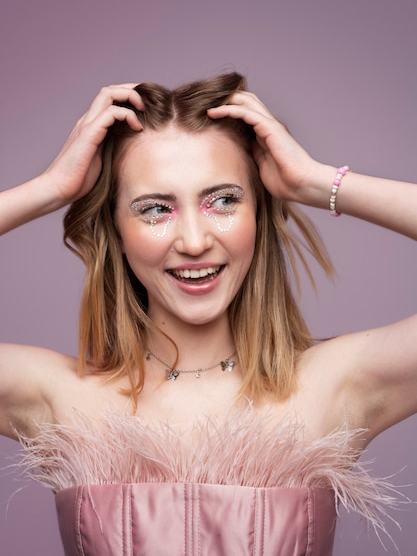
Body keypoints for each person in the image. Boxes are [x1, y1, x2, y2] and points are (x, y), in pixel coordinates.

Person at [0, 72, 416, 556]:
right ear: (115, 227)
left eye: (223, 201)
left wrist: (317, 182)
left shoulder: (337, 386)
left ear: (258, 212)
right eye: (155, 209)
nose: (195, 241)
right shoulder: (58, 399)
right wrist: (50, 189)